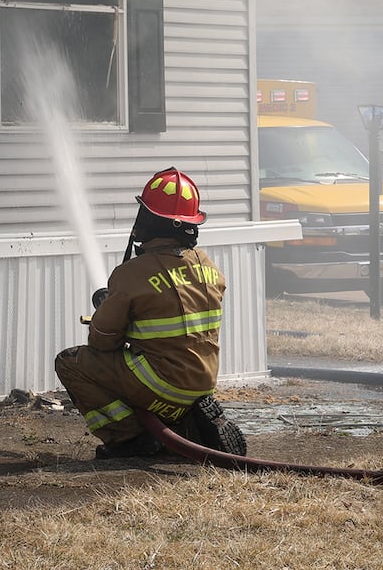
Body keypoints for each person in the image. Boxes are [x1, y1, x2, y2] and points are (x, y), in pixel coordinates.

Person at [54, 167, 247, 459]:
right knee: (138, 366)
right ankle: (181, 423)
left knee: (71, 362)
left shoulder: (132, 274)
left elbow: (103, 343)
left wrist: (110, 311)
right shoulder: (209, 267)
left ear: (149, 221)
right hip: (202, 383)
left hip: (163, 385)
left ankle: (130, 438)